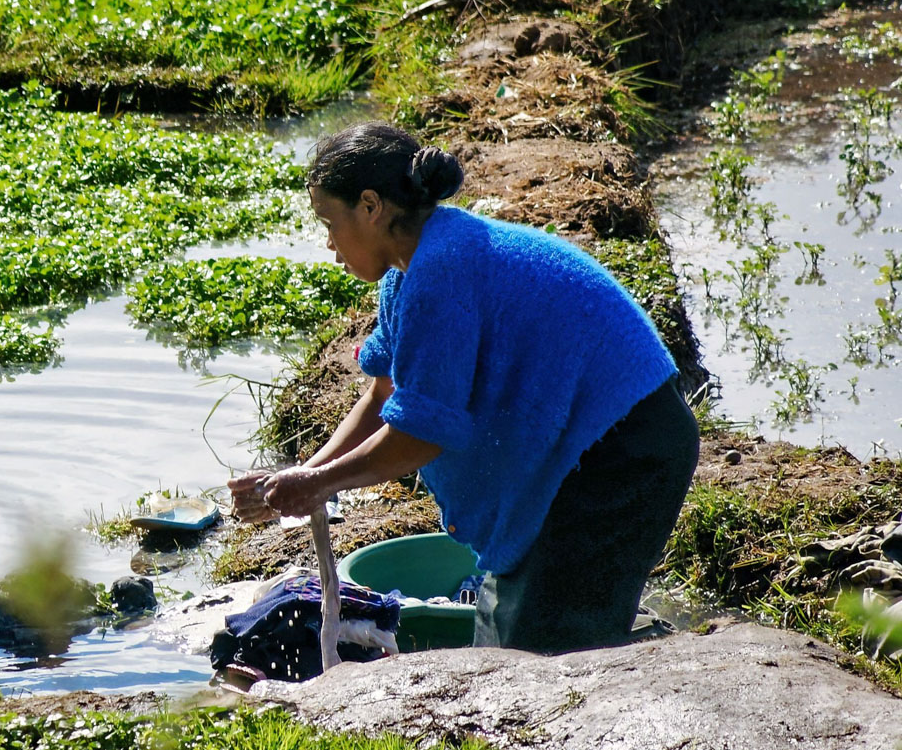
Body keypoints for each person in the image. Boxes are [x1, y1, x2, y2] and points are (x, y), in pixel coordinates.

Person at [229, 122, 698, 652]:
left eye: (328, 222)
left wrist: (320, 485)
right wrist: (307, 474)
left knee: (546, 654)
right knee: (509, 632)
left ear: (369, 206)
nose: (329, 242)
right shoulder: (409, 271)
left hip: (622, 448)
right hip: (581, 445)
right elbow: (383, 395)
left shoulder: (441, 270)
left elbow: (419, 435)